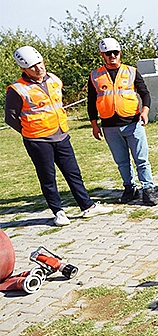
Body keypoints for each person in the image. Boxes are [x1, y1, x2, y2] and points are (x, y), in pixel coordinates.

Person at [5, 46, 112, 226]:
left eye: (40, 63)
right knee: (48, 177)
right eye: (33, 67)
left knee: (73, 173)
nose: (39, 68)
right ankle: (58, 212)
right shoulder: (17, 89)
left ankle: (87, 206)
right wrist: (30, 132)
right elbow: (11, 118)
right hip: (38, 141)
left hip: (61, 135)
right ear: (24, 69)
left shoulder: (54, 79)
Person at [88, 38, 158, 206]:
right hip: (109, 127)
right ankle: (130, 188)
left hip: (133, 124)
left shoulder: (132, 71)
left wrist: (145, 112)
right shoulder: (95, 75)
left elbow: (145, 93)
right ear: (102, 55)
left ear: (120, 53)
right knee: (121, 161)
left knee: (141, 159)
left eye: (115, 53)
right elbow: (91, 101)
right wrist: (94, 124)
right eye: (108, 53)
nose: (112, 56)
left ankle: (148, 189)